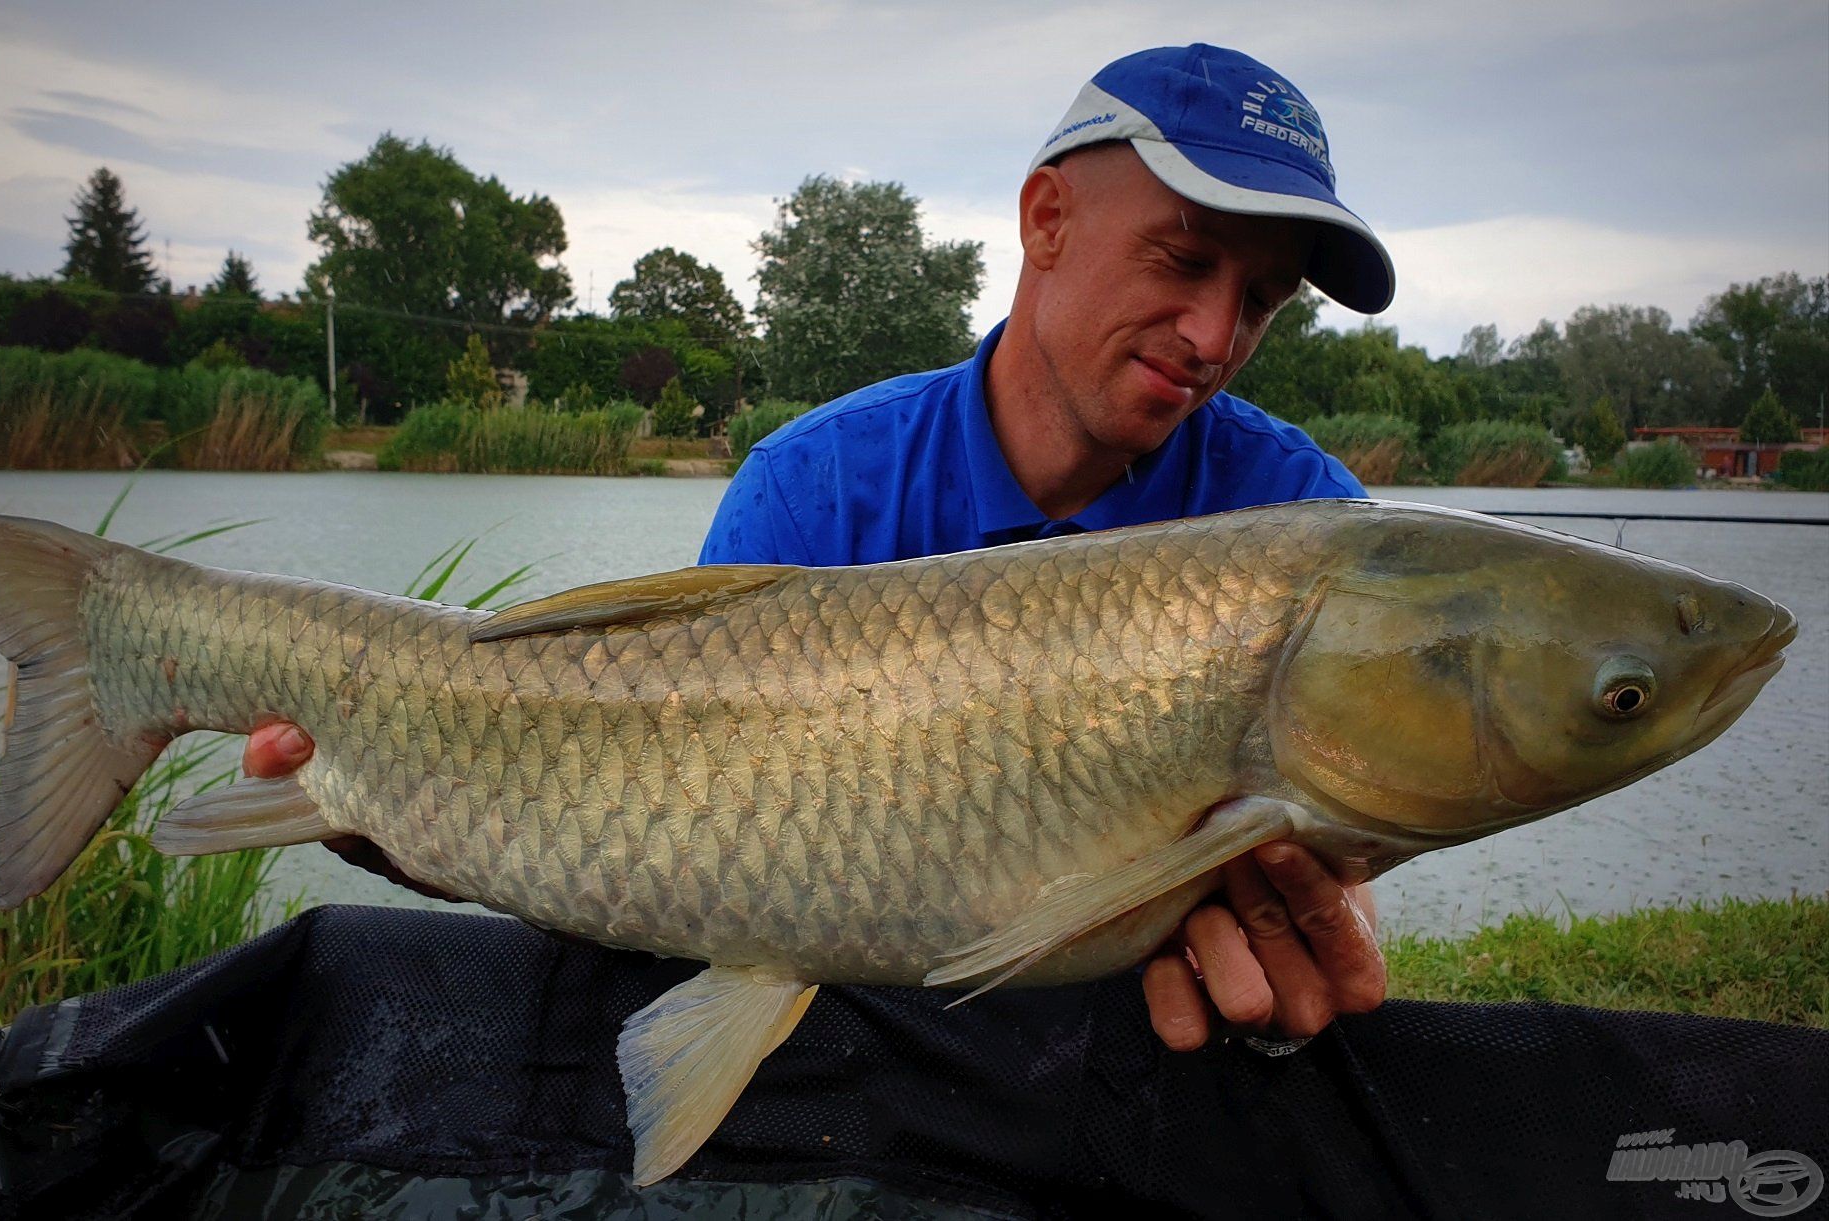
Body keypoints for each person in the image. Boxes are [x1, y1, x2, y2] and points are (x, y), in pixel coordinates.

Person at [245, 44, 1390, 1058]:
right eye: (1184, 263)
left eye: (1262, 298)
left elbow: (1327, 873)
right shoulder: (817, 485)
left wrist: (1297, 972)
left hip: (1131, 1063)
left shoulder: (1309, 527)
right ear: (1047, 220)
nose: (1215, 337)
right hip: (826, 1045)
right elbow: (658, 831)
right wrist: (419, 815)